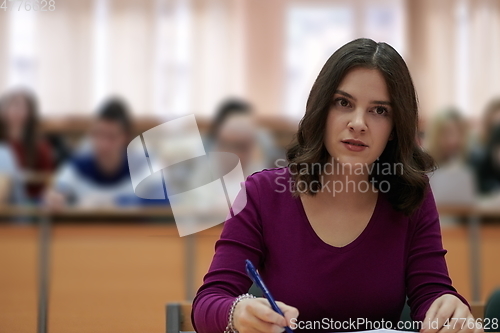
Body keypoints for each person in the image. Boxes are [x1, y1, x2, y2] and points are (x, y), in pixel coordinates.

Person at [192, 38, 480, 333]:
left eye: (379, 110)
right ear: (322, 110)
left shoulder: (412, 197)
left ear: (395, 128)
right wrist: (235, 312)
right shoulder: (262, 193)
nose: (358, 123)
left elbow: (431, 296)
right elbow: (207, 303)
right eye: (344, 103)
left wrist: (449, 310)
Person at [44, 97, 143, 209]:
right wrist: (54, 198)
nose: (104, 145)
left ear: (126, 138)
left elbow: (162, 201)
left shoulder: (142, 166)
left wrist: (116, 202)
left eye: (112, 137)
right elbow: (51, 196)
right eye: (99, 135)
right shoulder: (78, 166)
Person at [0, 88, 54, 202]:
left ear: (30, 112)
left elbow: (46, 182)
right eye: (12, 106)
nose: (16, 111)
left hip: (29, 203)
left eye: (21, 107)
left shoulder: (40, 147)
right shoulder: (3, 146)